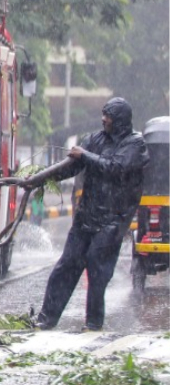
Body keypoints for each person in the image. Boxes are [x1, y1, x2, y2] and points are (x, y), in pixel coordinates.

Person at [25, 98, 148, 331]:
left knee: (97, 270)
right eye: (103, 114)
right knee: (66, 266)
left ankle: (93, 323)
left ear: (120, 119)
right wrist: (39, 179)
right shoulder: (95, 139)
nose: (104, 119)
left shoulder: (135, 144)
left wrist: (85, 156)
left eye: (108, 116)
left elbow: (116, 169)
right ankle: (46, 318)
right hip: (86, 218)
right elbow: (72, 166)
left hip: (112, 221)